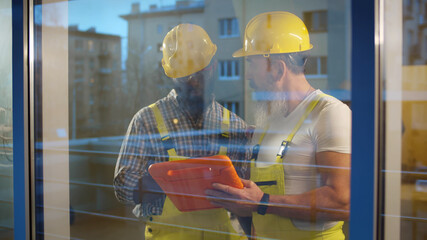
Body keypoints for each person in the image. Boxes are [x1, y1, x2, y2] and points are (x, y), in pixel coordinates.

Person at [206, 11, 351, 240]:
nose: (247, 76)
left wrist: (263, 202)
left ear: (278, 69)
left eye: (251, 64)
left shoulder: (330, 113)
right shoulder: (266, 125)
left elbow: (341, 199)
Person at [113, 24, 249, 240]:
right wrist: (169, 181)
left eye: (198, 73)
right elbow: (122, 187)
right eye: (184, 77)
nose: (192, 82)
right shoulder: (147, 121)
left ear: (212, 67)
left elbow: (246, 198)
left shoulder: (235, 126)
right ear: (170, 74)